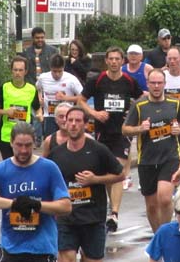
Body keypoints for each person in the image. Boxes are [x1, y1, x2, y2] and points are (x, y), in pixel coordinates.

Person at [0, 122, 72, 262]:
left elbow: (66, 206)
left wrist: (37, 205)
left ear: (34, 143)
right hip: (11, 249)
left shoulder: (49, 168)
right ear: (11, 143)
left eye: (28, 145)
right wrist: (14, 204)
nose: (24, 150)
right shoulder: (0, 170)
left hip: (42, 250)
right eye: (19, 145)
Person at [78, 46, 143, 232]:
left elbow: (141, 101)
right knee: (109, 174)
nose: (114, 62)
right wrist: (94, 114)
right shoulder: (97, 80)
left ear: (123, 61)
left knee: (117, 170)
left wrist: (132, 116)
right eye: (111, 59)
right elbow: (81, 100)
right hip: (102, 133)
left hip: (122, 133)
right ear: (106, 61)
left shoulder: (130, 81)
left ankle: (114, 213)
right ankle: (111, 208)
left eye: (117, 59)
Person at [49, 106, 124, 262]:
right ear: (64, 123)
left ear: (85, 124)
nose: (73, 124)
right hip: (66, 218)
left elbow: (120, 174)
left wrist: (95, 179)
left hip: (93, 217)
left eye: (78, 121)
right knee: (66, 258)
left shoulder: (98, 150)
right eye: (70, 120)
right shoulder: (56, 154)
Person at [122, 69, 180, 232]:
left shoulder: (175, 103)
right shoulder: (140, 106)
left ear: (165, 84)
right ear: (148, 84)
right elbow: (125, 129)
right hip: (147, 160)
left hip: (170, 157)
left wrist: (179, 128)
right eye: (153, 83)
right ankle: (158, 235)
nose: (157, 86)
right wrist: (140, 128)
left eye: (160, 83)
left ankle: (166, 234)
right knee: (151, 206)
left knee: (165, 198)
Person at [0, 56, 42, 159]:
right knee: (10, 167)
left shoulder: (31, 89)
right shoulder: (4, 88)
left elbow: (37, 107)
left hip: (25, 135)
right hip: (6, 136)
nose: (17, 73)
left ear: (25, 71)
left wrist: (40, 115)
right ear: (11, 71)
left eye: (20, 70)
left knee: (24, 165)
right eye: (15, 70)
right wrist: (5, 112)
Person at [35, 54, 83, 138]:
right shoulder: (43, 78)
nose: (57, 74)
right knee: (51, 142)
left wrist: (66, 98)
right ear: (50, 68)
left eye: (60, 71)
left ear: (63, 68)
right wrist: (40, 99)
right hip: (50, 117)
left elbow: (83, 97)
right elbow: (37, 88)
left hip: (67, 116)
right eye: (54, 71)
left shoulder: (71, 79)